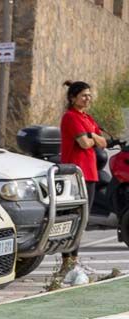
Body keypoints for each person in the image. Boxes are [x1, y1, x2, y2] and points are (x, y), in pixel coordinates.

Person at [59, 80, 106, 272]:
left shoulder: (87, 118)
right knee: (74, 218)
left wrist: (92, 136)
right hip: (75, 174)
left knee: (83, 219)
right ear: (72, 98)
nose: (88, 98)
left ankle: (74, 261)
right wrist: (91, 138)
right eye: (84, 95)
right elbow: (84, 144)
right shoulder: (70, 117)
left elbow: (102, 142)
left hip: (90, 173)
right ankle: (67, 262)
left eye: (89, 95)